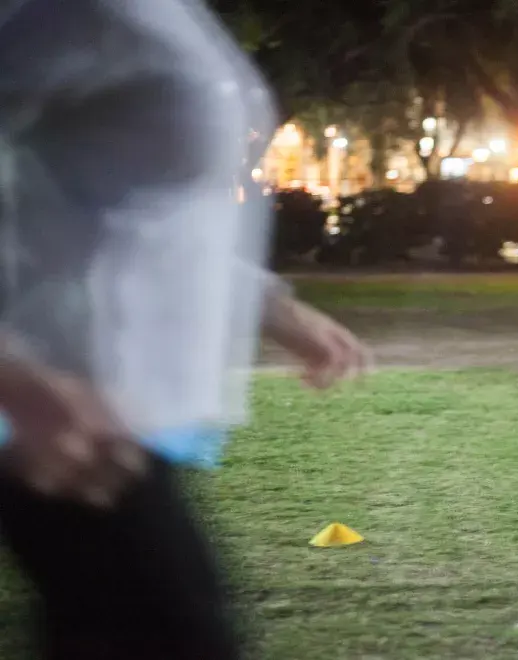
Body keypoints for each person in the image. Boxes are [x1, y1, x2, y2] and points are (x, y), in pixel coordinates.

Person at [0, 0, 371, 657]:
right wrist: (19, 380)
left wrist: (271, 307)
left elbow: (144, 209)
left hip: (116, 424)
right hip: (66, 429)